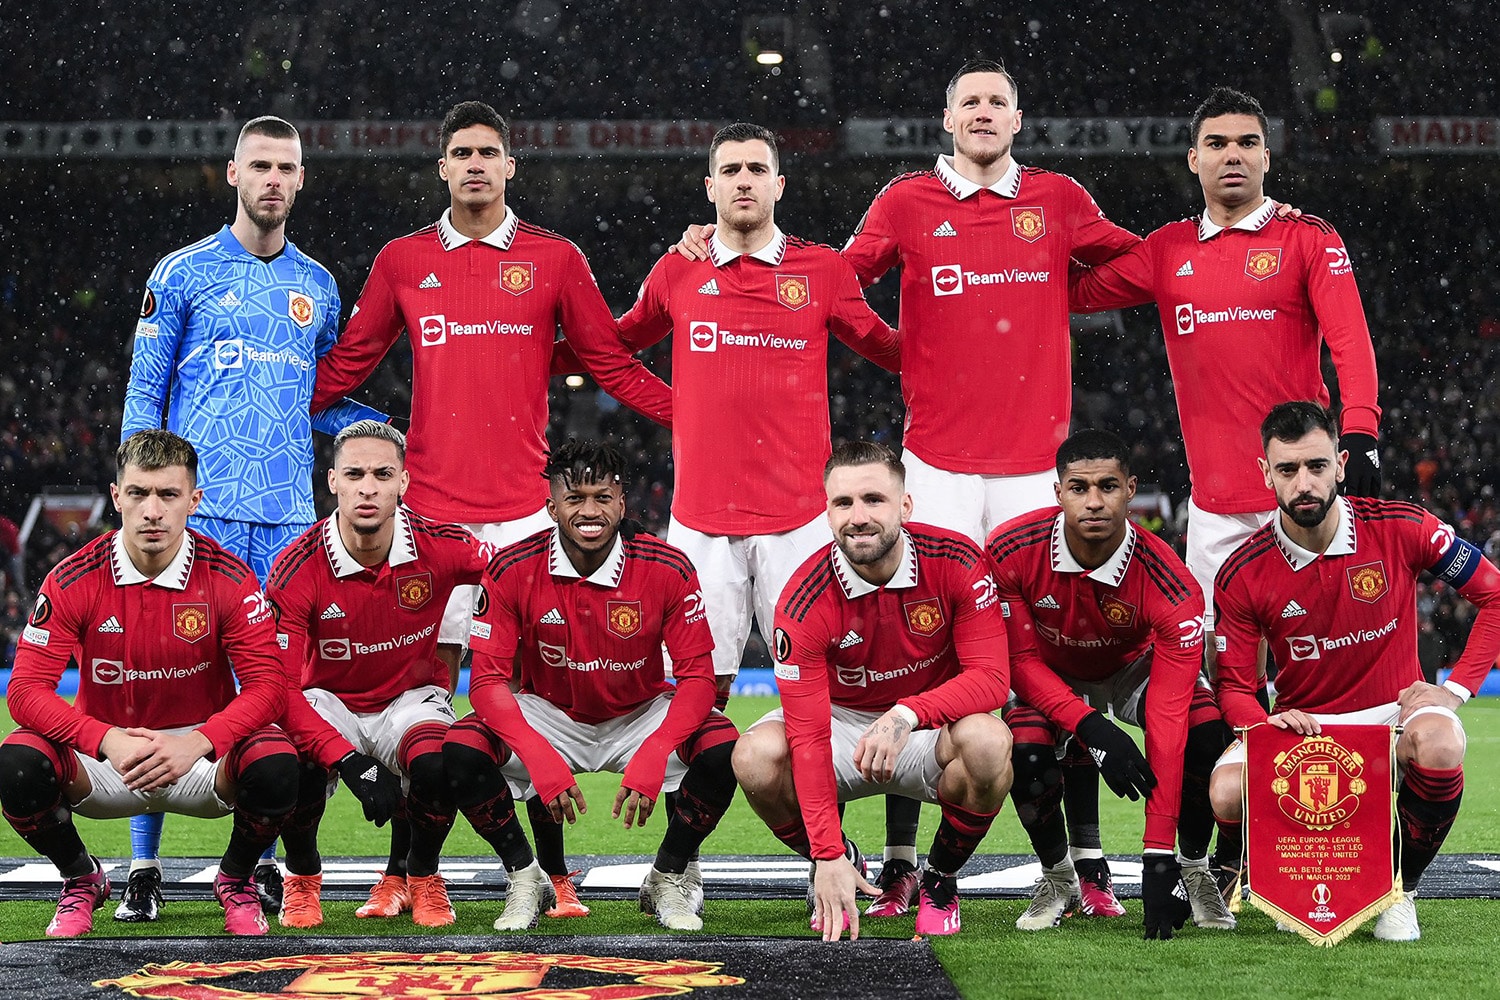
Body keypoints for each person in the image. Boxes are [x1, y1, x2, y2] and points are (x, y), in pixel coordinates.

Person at [672, 62, 1139, 907]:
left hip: (1039, 465)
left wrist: (1061, 295)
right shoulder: (904, 203)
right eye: (971, 102)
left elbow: (1142, 267)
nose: (985, 113)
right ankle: (895, 861)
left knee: (1047, 655)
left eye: (999, 100)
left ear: (1019, 118)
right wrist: (717, 246)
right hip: (938, 464)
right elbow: (826, 286)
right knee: (902, 648)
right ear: (947, 120)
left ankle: (1080, 864)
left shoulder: (1062, 199)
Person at [118, 115, 383, 920]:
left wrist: (390, 435)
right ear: (232, 174)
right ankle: (144, 866)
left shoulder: (320, 287)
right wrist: (137, 502)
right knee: (156, 686)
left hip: (282, 524)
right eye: (260, 165)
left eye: (287, 168)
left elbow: (321, 402)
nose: (273, 179)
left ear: (301, 181)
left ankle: (257, 861)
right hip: (191, 521)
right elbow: (143, 395)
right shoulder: (183, 273)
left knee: (270, 695)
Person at [1068, 86, 1382, 682]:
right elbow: (1067, 292)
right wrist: (1034, 238)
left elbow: (1351, 342)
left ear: (1268, 157)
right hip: (1213, 511)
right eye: (1216, 143)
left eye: (1247, 142)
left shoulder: (1308, 238)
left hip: (1299, 498)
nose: (1231, 154)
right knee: (1217, 685)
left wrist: (1362, 431)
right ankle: (1227, 778)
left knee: (1321, 667)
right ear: (1193, 158)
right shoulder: (1166, 250)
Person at [614, 119, 899, 720]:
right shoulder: (676, 270)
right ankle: (685, 816)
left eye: (757, 169)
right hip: (701, 520)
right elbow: (613, 348)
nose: (744, 181)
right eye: (731, 171)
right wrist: (677, 409)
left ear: (780, 184)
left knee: (829, 692)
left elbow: (890, 349)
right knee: (692, 699)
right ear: (710, 187)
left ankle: (820, 814)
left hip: (799, 520)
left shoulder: (822, 271)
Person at [1208, 402, 1500, 941]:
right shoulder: (1242, 571)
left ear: (1341, 464)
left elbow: (1494, 596)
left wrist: (1453, 692)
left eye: (1317, 466)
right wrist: (1263, 726)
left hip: (1391, 721)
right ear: (1265, 473)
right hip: (1304, 730)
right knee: (1227, 789)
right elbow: (1232, 685)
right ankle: (1235, 865)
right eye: (1289, 470)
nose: (1305, 484)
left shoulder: (1403, 527)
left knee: (1438, 742)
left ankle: (1400, 889)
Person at [0, 430, 297, 938]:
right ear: (117, 497)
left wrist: (199, 742)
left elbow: (269, 686)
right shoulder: (73, 579)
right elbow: (25, 691)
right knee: (16, 762)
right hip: (106, 761)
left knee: (278, 761)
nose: (152, 511)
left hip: (202, 760)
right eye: (138, 493)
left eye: (168, 494)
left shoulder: (230, 578)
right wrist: (105, 739)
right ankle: (82, 879)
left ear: (194, 500)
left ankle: (235, 880)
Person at [442, 439, 740, 932]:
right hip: (550, 711)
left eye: (603, 497)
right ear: (551, 504)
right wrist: (538, 756)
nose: (590, 511)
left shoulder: (667, 565)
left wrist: (656, 750)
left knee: (723, 749)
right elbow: (488, 681)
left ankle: (668, 876)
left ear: (622, 504)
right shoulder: (512, 566)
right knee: (458, 751)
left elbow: (698, 679)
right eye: (575, 497)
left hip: (640, 713)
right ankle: (524, 875)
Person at [734, 441, 1015, 940]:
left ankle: (941, 879)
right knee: (754, 758)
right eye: (843, 503)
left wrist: (907, 714)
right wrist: (825, 852)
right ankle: (845, 861)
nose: (858, 517)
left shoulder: (956, 560)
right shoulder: (802, 600)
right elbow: (808, 734)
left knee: (991, 743)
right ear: (826, 510)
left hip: (926, 727)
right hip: (840, 725)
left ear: (905, 505)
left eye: (873, 500)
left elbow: (993, 679)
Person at [988, 429, 1235, 938]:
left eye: (1108, 486)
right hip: (1049, 668)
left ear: (1130, 489)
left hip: (1133, 668)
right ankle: (1059, 879)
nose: (1094, 502)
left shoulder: (1170, 582)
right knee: (1027, 750)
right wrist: (1092, 728)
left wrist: (1157, 855)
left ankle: (1190, 869)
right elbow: (1019, 660)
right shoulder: (1009, 549)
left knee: (1206, 733)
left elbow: (1167, 718)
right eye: (1079, 488)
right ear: (1058, 493)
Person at [266, 420, 497, 928]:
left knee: (440, 761)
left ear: (403, 483)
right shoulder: (296, 567)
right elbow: (280, 691)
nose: (367, 487)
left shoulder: (442, 545)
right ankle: (302, 878)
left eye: (381, 474)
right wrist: (348, 761)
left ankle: (421, 877)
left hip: (411, 698)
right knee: (289, 761)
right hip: (329, 700)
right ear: (332, 482)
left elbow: (513, 571)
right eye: (354, 474)